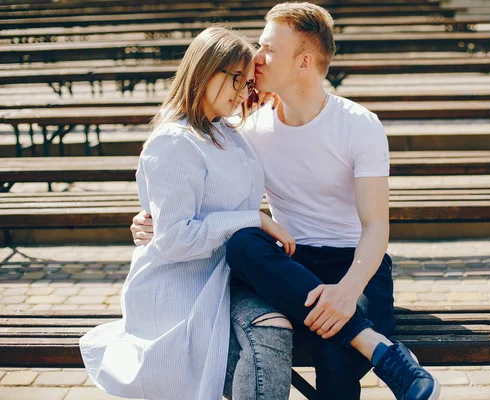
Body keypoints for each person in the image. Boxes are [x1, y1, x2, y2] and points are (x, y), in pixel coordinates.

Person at [131, 3, 441, 400]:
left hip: (356, 262)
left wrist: (346, 291)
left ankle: (381, 354)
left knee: (334, 351)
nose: (256, 57)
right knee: (244, 243)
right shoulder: (249, 128)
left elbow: (376, 226)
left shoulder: (358, 124)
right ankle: (382, 350)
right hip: (290, 262)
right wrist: (151, 217)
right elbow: (191, 170)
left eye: (269, 49)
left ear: (304, 61)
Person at [79, 26, 297, 400]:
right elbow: (175, 240)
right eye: (237, 81)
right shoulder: (174, 142)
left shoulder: (226, 131)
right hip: (181, 290)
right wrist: (255, 219)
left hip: (225, 278)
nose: (244, 93)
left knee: (277, 326)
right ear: (205, 70)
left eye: (248, 84)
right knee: (266, 335)